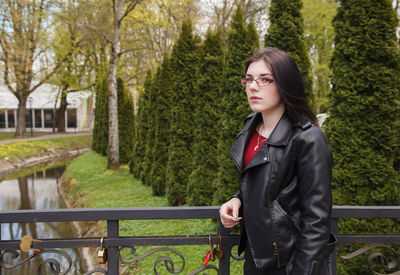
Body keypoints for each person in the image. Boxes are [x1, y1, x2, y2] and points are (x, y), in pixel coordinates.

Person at [219, 47, 335, 275]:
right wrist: (237, 199)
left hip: (291, 263)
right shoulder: (251, 126)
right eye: (249, 79)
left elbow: (316, 222)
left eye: (265, 80)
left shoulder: (307, 138)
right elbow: (265, 182)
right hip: (255, 257)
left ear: (285, 84)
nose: (253, 87)